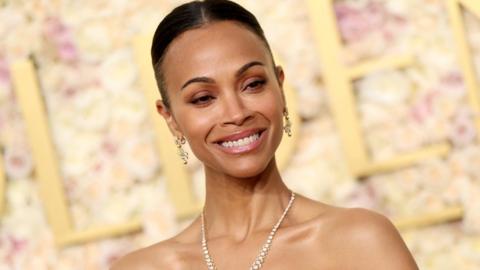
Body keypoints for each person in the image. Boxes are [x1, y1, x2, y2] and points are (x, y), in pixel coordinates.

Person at [111, 0, 419, 269]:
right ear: (171, 119)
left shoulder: (359, 241)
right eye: (203, 98)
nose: (236, 113)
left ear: (280, 87)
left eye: (253, 84)